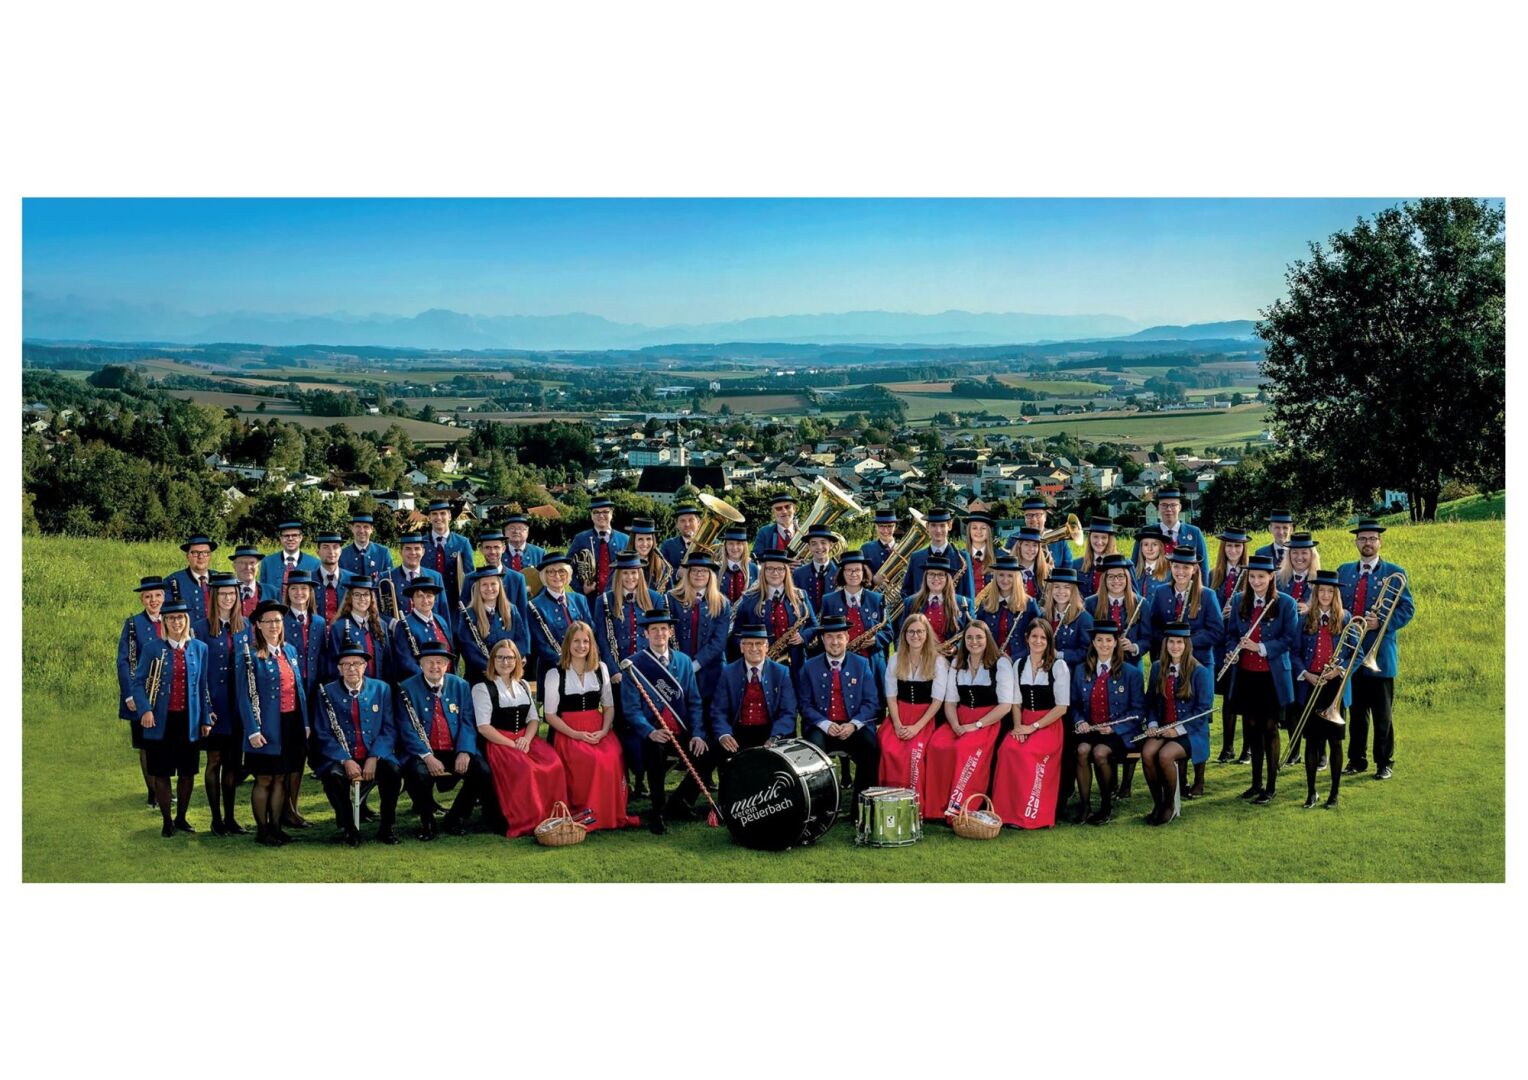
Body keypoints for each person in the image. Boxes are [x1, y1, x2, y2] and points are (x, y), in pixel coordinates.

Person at [1336, 519, 1414, 781]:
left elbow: (1407, 609)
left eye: (1372, 538)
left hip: (1380, 655)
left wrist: (1382, 622)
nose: (1367, 543)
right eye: (1362, 538)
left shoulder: (1395, 572)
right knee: (1356, 713)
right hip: (1352, 655)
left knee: (1383, 715)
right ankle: (1356, 760)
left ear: (1380, 542)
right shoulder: (1344, 571)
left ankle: (1384, 761)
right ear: (1356, 542)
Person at [619, 609, 706, 834]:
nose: (659, 633)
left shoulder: (684, 661)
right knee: (655, 752)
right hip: (652, 732)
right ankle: (658, 811)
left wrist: (697, 733)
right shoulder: (633, 665)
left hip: (681, 730)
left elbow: (694, 702)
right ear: (646, 634)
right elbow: (632, 709)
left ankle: (681, 801)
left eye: (664, 629)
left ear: (670, 632)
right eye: (654, 629)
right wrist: (650, 731)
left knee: (707, 751)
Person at [1222, 555, 1300, 805]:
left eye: (1261, 577)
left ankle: (1271, 786)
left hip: (1272, 677)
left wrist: (1260, 648)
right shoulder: (1239, 601)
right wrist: (1233, 652)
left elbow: (1290, 639)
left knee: (1270, 728)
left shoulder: (1285, 603)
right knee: (1251, 728)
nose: (1256, 581)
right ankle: (1255, 783)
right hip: (1246, 675)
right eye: (1252, 577)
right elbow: (1231, 635)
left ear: (1271, 577)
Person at [543, 621, 637, 831]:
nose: (581, 646)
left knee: (612, 755)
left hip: (598, 727)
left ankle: (609, 813)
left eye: (586, 641)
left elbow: (609, 706)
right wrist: (576, 734)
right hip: (568, 730)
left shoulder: (600, 669)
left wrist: (604, 731)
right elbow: (549, 715)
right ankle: (587, 813)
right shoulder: (555, 674)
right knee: (591, 759)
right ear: (568, 644)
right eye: (576, 641)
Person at [131, 601, 212, 837]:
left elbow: (203, 686)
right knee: (162, 772)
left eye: (180, 618)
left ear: (186, 621)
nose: (177, 622)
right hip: (160, 721)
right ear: (164, 622)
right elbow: (137, 683)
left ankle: (182, 818)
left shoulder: (199, 648)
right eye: (171, 618)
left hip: (189, 721)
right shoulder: (152, 648)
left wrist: (205, 718)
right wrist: (145, 710)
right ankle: (167, 821)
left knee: (187, 772)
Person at [235, 600, 310, 846]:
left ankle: (276, 827)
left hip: (289, 724)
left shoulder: (290, 651)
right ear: (258, 625)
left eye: (277, 621)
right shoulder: (249, 655)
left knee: (281, 778)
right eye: (268, 621)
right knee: (265, 779)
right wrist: (252, 730)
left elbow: (299, 689)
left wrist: (305, 723)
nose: (274, 626)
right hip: (265, 725)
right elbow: (244, 696)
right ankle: (262, 830)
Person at [476, 638, 568, 838]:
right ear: (492, 660)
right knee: (525, 769)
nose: (505, 662)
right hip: (499, 741)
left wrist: (526, 739)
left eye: (510, 658)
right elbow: (484, 727)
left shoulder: (523, 685)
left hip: (525, 738)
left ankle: (552, 816)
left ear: (517, 661)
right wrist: (512, 744)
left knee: (554, 763)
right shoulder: (483, 688)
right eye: (500, 658)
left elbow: (533, 718)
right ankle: (528, 819)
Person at [396, 640, 488, 839]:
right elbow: (406, 728)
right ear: (421, 664)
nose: (435, 666)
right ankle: (427, 821)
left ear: (447, 665)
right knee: (418, 774)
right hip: (422, 752)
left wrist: (464, 751)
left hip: (454, 749)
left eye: (440, 662)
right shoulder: (406, 688)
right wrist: (428, 757)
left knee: (482, 771)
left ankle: (456, 817)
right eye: (429, 661)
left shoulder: (461, 685)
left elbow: (467, 721)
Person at [312, 645, 402, 845]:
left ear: (365, 666)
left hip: (374, 755)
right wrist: (345, 760)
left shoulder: (381, 689)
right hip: (342, 756)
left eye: (357, 663)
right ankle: (349, 827)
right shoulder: (326, 692)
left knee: (393, 771)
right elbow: (323, 732)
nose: (351, 668)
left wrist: (374, 757)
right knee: (332, 776)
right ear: (339, 668)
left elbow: (389, 728)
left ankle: (387, 826)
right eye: (346, 664)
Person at [925, 618, 1014, 820]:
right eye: (969, 638)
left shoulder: (1000, 664)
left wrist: (976, 725)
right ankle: (937, 808)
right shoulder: (957, 663)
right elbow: (950, 702)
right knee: (936, 745)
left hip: (988, 720)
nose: (974, 642)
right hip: (959, 718)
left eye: (979, 637)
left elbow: (1005, 706)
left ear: (987, 639)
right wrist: (955, 724)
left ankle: (961, 807)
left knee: (963, 749)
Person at [989, 619, 1070, 829]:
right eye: (1034, 636)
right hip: (1024, 722)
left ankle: (1029, 814)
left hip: (1048, 725)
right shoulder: (1019, 664)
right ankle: (1006, 812)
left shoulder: (1058, 666)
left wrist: (1033, 727)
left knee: (1027, 754)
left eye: (1043, 637)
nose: (1038, 641)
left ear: (1049, 641)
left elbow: (1061, 708)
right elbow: (1016, 702)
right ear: (1027, 638)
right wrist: (1018, 727)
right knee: (1007, 749)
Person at [1067, 622, 1143, 825]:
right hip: (1090, 728)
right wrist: (1080, 721)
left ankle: (1106, 806)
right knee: (1082, 750)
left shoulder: (1131, 673)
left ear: (1116, 642)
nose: (1104, 644)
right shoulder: (1080, 670)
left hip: (1117, 733)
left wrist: (1114, 728)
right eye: (1099, 640)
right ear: (1093, 642)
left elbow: (1138, 711)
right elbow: (1074, 704)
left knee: (1100, 753)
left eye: (1109, 640)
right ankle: (1085, 806)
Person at [798, 616, 881, 803]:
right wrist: (825, 724)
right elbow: (804, 705)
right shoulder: (809, 667)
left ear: (847, 637)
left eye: (839, 636)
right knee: (814, 752)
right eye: (829, 637)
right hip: (821, 726)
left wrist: (854, 725)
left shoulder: (861, 664)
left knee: (871, 748)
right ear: (822, 639)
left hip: (852, 726)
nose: (835, 642)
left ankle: (861, 805)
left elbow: (871, 702)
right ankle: (821, 805)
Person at [1139, 622, 1213, 825]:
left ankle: (1170, 805)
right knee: (1147, 753)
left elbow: (1203, 711)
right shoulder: (1157, 667)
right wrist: (1153, 724)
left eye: (1180, 642)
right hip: (1163, 727)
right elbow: (1151, 701)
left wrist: (1178, 730)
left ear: (1187, 644)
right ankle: (1158, 803)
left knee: (1165, 755)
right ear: (1165, 644)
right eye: (1171, 642)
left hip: (1191, 732)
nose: (1175, 646)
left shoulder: (1200, 671)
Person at [877, 613, 948, 809]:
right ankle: (889, 803)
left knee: (913, 752)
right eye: (911, 632)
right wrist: (897, 724)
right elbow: (891, 696)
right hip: (899, 714)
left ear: (927, 634)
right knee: (889, 748)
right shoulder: (895, 659)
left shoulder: (938, 661)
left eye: (920, 632)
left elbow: (937, 701)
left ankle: (914, 805)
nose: (915, 636)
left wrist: (917, 727)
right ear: (904, 635)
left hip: (924, 717)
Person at [1297, 571, 1354, 809]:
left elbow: (1356, 652)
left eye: (1330, 591)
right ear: (1316, 593)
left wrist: (1339, 669)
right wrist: (1306, 674)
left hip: (1334, 687)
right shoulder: (1304, 618)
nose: (1326, 595)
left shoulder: (1345, 617)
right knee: (1311, 741)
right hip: (1312, 684)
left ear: (1336, 594)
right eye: (1322, 590)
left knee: (1336, 742)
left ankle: (1334, 793)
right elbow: (1294, 652)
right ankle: (1311, 792)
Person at [199, 573, 250, 835]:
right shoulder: (201, 627)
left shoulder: (246, 626)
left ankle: (230, 818)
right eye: (223, 594)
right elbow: (197, 672)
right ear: (214, 596)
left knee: (232, 762)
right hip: (214, 704)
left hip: (237, 705)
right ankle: (215, 819)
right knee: (215, 760)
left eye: (232, 594)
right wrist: (205, 709)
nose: (228, 598)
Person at [709, 625, 799, 758]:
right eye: (749, 644)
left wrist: (775, 737)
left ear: (767, 647)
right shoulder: (728, 672)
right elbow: (718, 710)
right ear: (741, 647)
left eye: (759, 643)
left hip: (771, 732)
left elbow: (788, 711)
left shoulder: (781, 672)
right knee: (706, 756)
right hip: (738, 732)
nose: (754, 648)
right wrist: (724, 734)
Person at [118, 576, 167, 806]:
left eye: (157, 595)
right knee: (146, 745)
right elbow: (125, 661)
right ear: (142, 599)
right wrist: (130, 694)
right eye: (148, 596)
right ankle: (153, 793)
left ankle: (164, 789)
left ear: (164, 597)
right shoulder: (133, 624)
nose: (153, 600)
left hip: (166, 695)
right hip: (141, 693)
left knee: (164, 744)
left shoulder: (173, 620)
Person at [727, 550, 815, 673]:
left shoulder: (800, 595)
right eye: (770, 569)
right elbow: (737, 634)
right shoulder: (749, 599)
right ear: (763, 571)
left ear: (786, 571)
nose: (775, 573)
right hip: (760, 666)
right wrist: (752, 652)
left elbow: (814, 625)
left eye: (780, 569)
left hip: (796, 663)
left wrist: (803, 637)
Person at [1277, 532, 1322, 767]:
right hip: (1286, 650)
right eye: (1295, 553)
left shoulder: (1320, 581)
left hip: (1310, 651)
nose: (1299, 557)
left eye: (1304, 553)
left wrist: (1310, 609)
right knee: (1292, 704)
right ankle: (1293, 750)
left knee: (1313, 703)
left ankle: (1320, 753)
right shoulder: (1280, 580)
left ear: (1312, 555)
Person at [1209, 528, 1251, 763]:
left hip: (1243, 642)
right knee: (1227, 695)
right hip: (1221, 643)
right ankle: (1227, 748)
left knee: (1245, 695)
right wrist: (1220, 613)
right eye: (1229, 546)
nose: (1233, 550)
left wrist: (1235, 611)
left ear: (1243, 549)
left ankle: (1247, 748)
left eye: (1237, 546)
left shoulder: (1252, 575)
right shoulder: (1212, 575)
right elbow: (1206, 606)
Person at [1143, 549, 1224, 672]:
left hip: (1199, 661)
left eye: (1186, 567)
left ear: (1194, 569)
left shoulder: (1208, 595)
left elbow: (1216, 632)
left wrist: (1186, 642)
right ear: (1171, 566)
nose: (1180, 572)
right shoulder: (1161, 592)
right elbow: (1153, 626)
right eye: (1176, 566)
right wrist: (1169, 642)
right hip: (1168, 661)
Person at [666, 552, 731, 703]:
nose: (699, 574)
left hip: (712, 670)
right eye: (694, 570)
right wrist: (680, 664)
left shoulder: (722, 603)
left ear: (710, 575)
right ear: (688, 574)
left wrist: (695, 664)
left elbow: (719, 642)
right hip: (677, 667)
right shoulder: (672, 598)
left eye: (703, 571)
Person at [593, 551, 665, 676]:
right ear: (618, 575)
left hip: (650, 665)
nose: (630, 577)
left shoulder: (655, 598)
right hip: (620, 669)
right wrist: (613, 671)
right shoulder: (604, 600)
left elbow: (662, 635)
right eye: (625, 573)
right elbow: (602, 639)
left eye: (633, 572)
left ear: (639, 574)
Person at [456, 568, 530, 683]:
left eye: (493, 584)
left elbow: (521, 640)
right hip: (480, 677)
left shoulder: (512, 610)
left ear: (500, 586)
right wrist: (493, 669)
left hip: (509, 674)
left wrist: (509, 664)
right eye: (484, 585)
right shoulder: (468, 615)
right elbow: (469, 650)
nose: (489, 588)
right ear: (478, 588)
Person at [527, 553, 592, 676]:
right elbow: (540, 644)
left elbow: (591, 631)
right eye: (551, 572)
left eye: (562, 571)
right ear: (544, 576)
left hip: (584, 665)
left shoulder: (580, 599)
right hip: (553, 669)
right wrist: (566, 662)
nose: (557, 576)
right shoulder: (534, 606)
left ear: (568, 574)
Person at [973, 554, 1040, 663]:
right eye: (1001, 575)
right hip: (990, 660)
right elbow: (977, 634)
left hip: (1020, 661)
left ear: (1017, 578)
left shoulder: (1029, 604)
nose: (1005, 580)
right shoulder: (985, 604)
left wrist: (1014, 658)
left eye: (1010, 576)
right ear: (995, 577)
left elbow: (1039, 638)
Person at [898, 554, 970, 655]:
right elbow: (902, 634)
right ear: (925, 577)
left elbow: (970, 633)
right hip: (918, 658)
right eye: (931, 574)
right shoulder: (910, 602)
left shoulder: (963, 603)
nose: (935, 578)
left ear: (947, 578)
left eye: (940, 575)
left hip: (949, 659)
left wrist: (956, 648)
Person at [326, 574, 391, 683]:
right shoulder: (339, 627)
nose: (362, 599)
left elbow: (388, 663)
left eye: (366, 594)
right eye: (357, 594)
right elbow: (334, 667)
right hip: (351, 687)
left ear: (371, 598)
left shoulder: (381, 625)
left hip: (378, 688)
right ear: (350, 598)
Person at [389, 578, 455, 680]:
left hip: (447, 680)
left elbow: (450, 652)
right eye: (420, 596)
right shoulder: (403, 625)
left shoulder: (441, 620)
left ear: (435, 598)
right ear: (412, 599)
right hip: (421, 682)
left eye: (429, 596)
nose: (425, 600)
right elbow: (405, 661)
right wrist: (429, 679)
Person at [901, 508, 970, 603]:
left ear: (950, 525)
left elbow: (969, 596)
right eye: (933, 525)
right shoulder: (916, 558)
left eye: (942, 525)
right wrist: (914, 607)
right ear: (927, 526)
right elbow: (906, 592)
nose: (938, 530)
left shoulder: (962, 558)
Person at [567, 497, 629, 597]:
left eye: (605, 511)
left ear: (611, 513)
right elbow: (567, 567)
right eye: (596, 512)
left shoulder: (625, 539)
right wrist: (581, 589)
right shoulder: (580, 538)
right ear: (591, 515)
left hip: (618, 598)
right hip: (590, 600)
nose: (601, 515)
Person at [281, 571, 328, 699]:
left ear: (310, 591)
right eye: (294, 588)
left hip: (314, 683)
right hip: (290, 684)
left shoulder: (319, 622)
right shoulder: (281, 621)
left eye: (303, 588)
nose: (299, 592)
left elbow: (322, 654)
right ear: (288, 592)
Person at [163, 533, 217, 637]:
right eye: (195, 553)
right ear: (187, 556)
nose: (201, 557)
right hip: (187, 639)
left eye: (205, 552)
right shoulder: (172, 582)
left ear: (210, 556)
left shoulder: (220, 579)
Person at [1154, 486, 1210, 583]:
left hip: (1187, 588)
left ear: (1179, 507)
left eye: (1173, 505)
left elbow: (1203, 567)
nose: (1168, 509)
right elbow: (1136, 566)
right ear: (1158, 507)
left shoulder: (1194, 532)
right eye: (1164, 505)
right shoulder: (1148, 532)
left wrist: (1203, 590)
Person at [1041, 567, 1094, 668]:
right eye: (1056, 587)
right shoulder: (1044, 616)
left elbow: (1087, 651)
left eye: (1066, 587)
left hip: (1070, 670)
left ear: (1073, 591)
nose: (1061, 591)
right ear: (1051, 590)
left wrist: (1059, 655)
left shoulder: (1084, 618)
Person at [424, 499, 475, 602]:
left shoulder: (462, 543)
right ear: (429, 517)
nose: (439, 517)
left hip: (455, 602)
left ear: (450, 516)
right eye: (434, 514)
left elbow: (469, 577)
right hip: (427, 601)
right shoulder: (421, 544)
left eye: (443, 513)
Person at [384, 533, 445, 618]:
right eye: (408, 549)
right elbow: (378, 611)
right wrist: (392, 622)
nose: (413, 553)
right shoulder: (386, 577)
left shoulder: (435, 577)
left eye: (417, 548)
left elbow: (443, 612)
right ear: (400, 551)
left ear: (423, 552)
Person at [257, 520, 321, 592]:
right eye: (286, 536)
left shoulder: (315, 564)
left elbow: (317, 593)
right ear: (280, 538)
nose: (290, 539)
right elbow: (263, 592)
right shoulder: (267, 562)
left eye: (294, 535)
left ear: (301, 538)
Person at [1016, 495, 1075, 571]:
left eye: (1038, 515)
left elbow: (1068, 567)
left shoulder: (1060, 540)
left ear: (1045, 517)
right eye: (1029, 515)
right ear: (1024, 518)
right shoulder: (1014, 539)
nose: (1034, 519)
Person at [1074, 516, 1126, 599]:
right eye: (1095, 537)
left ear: (1110, 539)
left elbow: (1133, 596)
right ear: (1089, 538)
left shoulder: (1124, 565)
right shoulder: (1076, 565)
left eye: (1104, 537)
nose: (1099, 542)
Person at [791, 524, 840, 610]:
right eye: (814, 544)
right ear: (809, 547)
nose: (819, 547)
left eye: (823, 543)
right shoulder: (798, 574)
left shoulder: (840, 572)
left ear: (831, 545)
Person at [338, 512, 393, 584]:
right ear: (352, 529)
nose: (361, 531)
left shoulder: (383, 552)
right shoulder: (342, 554)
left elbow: (390, 582)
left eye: (366, 527)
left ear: (371, 529)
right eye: (358, 526)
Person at [958, 510, 1000, 599]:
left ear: (988, 531)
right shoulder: (959, 557)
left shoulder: (1000, 556)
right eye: (974, 528)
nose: (979, 531)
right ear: (969, 531)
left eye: (983, 528)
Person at [1007, 526, 1052, 603]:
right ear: (1019, 545)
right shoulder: (1008, 570)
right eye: (1027, 544)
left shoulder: (1047, 571)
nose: (1031, 549)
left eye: (1035, 545)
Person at [229, 544, 275, 618]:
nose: (248, 567)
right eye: (242, 563)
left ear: (258, 566)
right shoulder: (225, 592)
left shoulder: (272, 592)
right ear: (234, 566)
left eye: (252, 563)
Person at [628, 518, 672, 593]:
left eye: (648, 539)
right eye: (640, 539)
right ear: (633, 541)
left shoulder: (662, 566)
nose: (645, 544)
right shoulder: (621, 564)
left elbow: (669, 594)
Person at [312, 534, 348, 623]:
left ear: (340, 551)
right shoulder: (308, 581)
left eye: (335, 547)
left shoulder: (352, 580)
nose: (331, 551)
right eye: (325, 547)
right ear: (318, 552)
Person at [659, 504, 704, 574]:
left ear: (699, 522)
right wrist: (678, 574)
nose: (687, 524)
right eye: (682, 521)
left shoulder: (713, 544)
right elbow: (661, 570)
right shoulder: (667, 546)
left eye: (691, 520)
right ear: (677, 525)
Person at [1132, 524, 1171, 604]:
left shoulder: (1170, 572)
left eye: (1154, 544)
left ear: (1160, 547)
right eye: (1146, 544)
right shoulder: (1134, 572)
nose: (1150, 549)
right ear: (1141, 548)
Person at [717, 526, 757, 603]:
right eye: (730, 543)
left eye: (739, 543)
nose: (735, 547)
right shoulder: (717, 569)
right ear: (725, 546)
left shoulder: (753, 568)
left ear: (744, 546)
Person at [861, 506, 899, 581]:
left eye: (890, 526)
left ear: (895, 527)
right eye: (881, 526)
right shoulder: (866, 549)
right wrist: (873, 580)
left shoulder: (904, 550)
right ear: (876, 527)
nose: (885, 530)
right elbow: (860, 576)